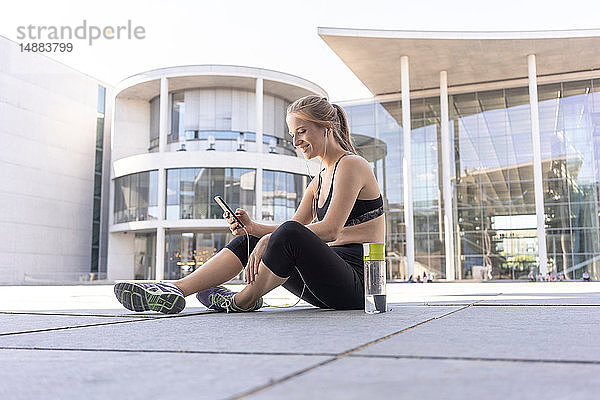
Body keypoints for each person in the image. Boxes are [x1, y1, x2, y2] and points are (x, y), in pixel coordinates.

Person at [113, 95, 385, 313]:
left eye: (301, 131)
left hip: (361, 284)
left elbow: (329, 231)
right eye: (292, 134)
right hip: (326, 283)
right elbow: (295, 230)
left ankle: (242, 300)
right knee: (253, 239)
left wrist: (273, 236)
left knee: (284, 234)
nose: (296, 141)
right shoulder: (318, 181)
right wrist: (254, 228)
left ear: (326, 128)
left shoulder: (351, 164)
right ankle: (175, 290)